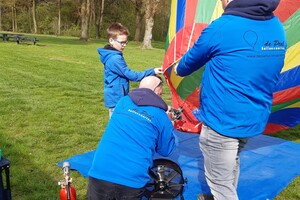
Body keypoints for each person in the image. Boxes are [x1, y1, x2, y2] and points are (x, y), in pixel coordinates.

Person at [174, 0, 287, 199]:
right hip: (254, 117)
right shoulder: (276, 26)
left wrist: (174, 68)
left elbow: (185, 67)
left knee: (220, 182)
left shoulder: (222, 27)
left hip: (222, 120)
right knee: (231, 162)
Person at [87, 75, 176, 200]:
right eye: (161, 93)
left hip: (100, 172)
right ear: (157, 91)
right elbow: (166, 150)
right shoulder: (161, 116)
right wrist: (170, 126)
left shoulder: (123, 102)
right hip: (131, 180)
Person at [97, 22, 162, 118]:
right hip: (116, 98)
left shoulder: (112, 55)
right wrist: (152, 71)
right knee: (118, 126)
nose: (124, 45)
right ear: (111, 40)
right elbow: (133, 76)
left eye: (125, 42)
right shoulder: (115, 58)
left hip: (115, 96)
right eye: (121, 42)